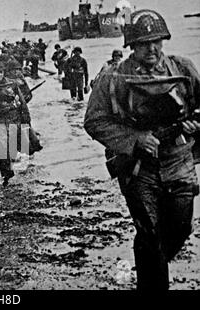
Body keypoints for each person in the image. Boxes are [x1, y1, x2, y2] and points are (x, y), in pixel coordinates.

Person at [84, 9, 200, 291]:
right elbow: (94, 121)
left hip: (178, 161)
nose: (152, 48)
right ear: (131, 45)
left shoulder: (182, 70)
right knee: (149, 232)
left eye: (157, 41)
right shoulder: (114, 77)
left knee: (181, 227)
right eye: (144, 42)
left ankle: (151, 267)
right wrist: (136, 139)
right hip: (138, 166)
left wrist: (194, 124)